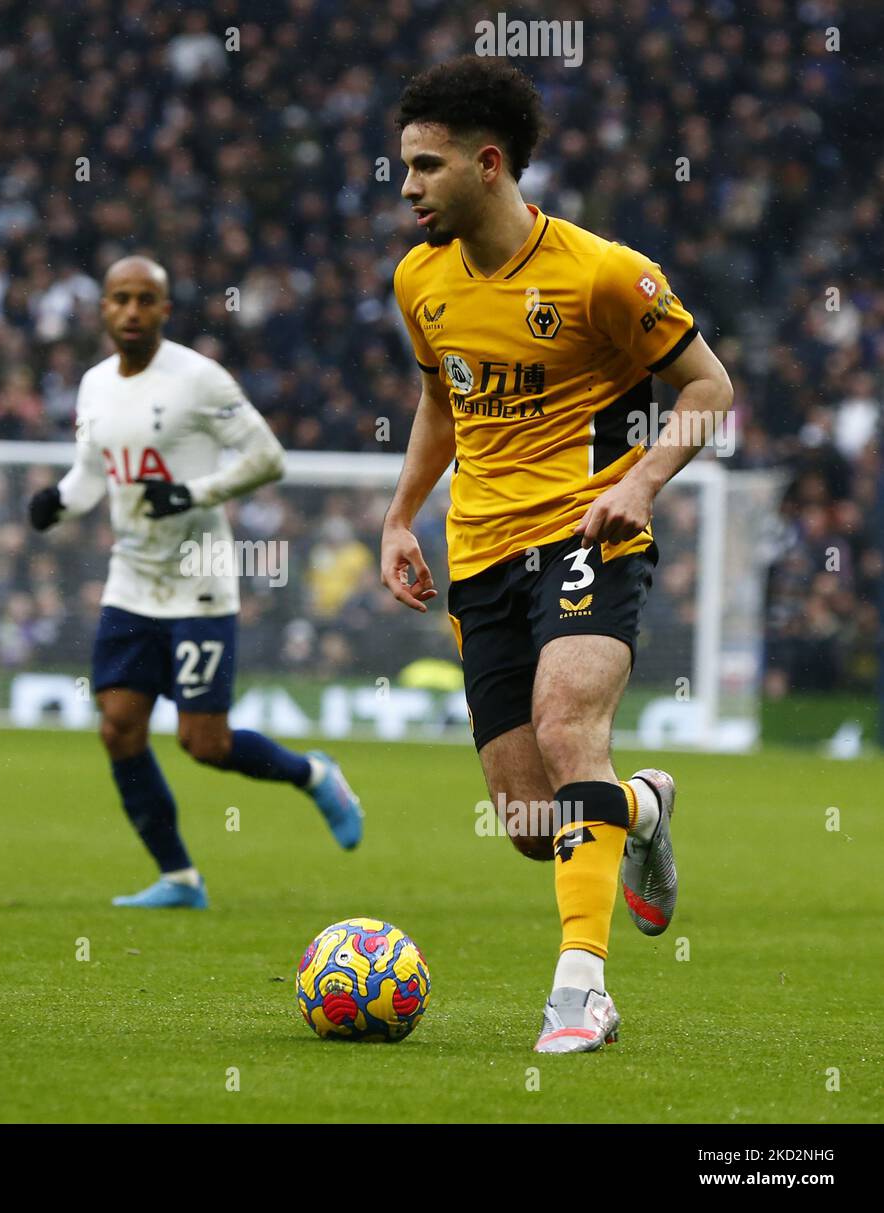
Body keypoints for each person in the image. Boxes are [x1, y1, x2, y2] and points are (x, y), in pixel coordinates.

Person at [380, 59, 734, 1052]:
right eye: (401, 167)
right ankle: (640, 808)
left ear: (487, 165)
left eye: (423, 166)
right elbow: (441, 402)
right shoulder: (419, 280)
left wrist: (640, 482)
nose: (405, 186)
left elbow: (708, 389)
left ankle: (580, 993)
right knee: (532, 824)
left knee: (567, 721)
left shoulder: (603, 274)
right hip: (479, 552)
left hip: (589, 530)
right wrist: (399, 516)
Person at [28, 255, 363, 909]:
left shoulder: (198, 379)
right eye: (119, 298)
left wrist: (190, 493)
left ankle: (315, 773)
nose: (130, 310)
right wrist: (59, 502)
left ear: (164, 309)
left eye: (144, 299)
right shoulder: (95, 384)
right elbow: (91, 474)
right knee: (118, 726)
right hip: (131, 577)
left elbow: (268, 457)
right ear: (103, 308)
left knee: (202, 742)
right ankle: (179, 877)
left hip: (200, 578)